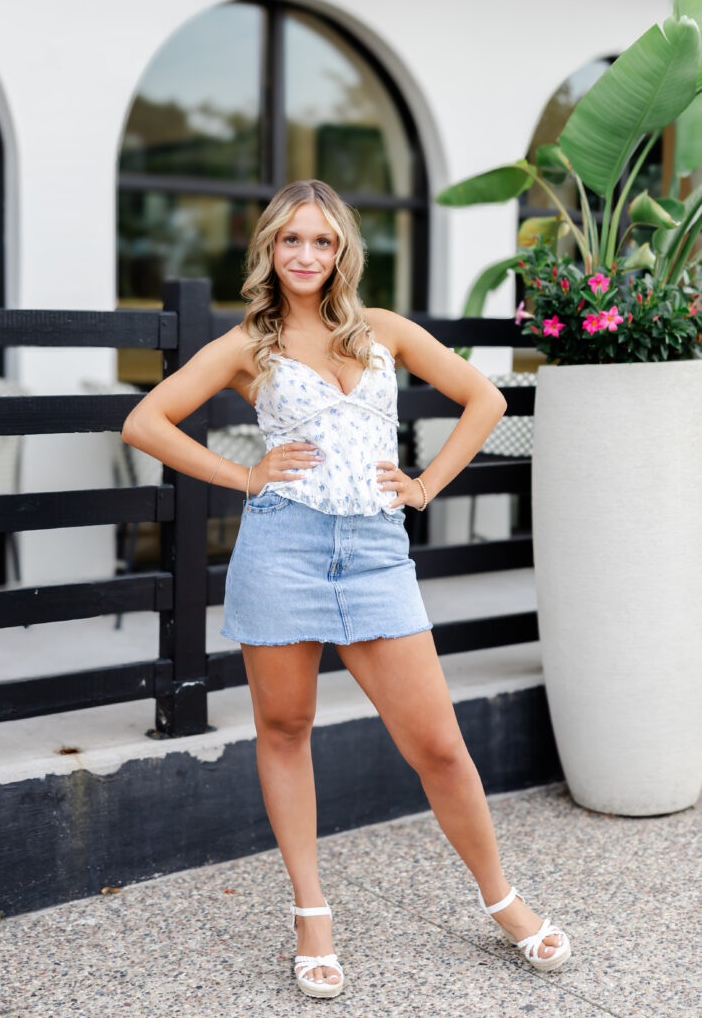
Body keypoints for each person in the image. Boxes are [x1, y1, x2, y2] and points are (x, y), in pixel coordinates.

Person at [121, 179, 572, 1000]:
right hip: (283, 547)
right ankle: (311, 914)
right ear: (269, 248)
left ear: (341, 252)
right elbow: (146, 421)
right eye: (291, 240)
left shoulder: (384, 334)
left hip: (374, 552)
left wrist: (426, 485)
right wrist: (245, 476)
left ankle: (502, 901)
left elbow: (486, 398)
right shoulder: (245, 347)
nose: (305, 254)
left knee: (437, 744)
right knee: (286, 727)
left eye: (321, 241)